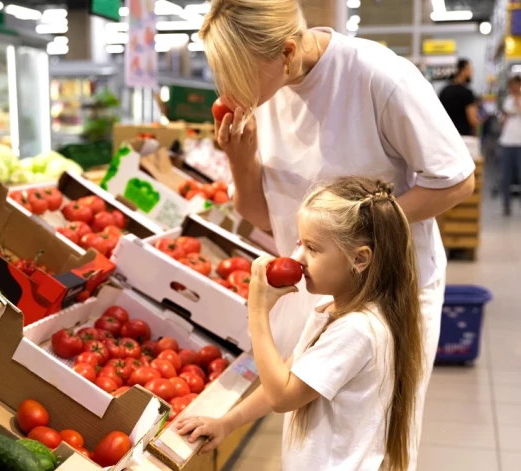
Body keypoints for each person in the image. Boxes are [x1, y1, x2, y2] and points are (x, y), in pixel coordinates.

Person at [197, 1, 475, 469]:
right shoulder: (263, 96)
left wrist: (362, 236)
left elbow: (455, 181)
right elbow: (262, 216)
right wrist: (239, 160)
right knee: (316, 422)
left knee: (379, 432)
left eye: (238, 76)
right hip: (319, 282)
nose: (230, 91)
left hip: (384, 289)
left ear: (286, 52)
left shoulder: (378, 77)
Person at [178, 177, 424, 470]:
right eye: (299, 243)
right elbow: (288, 378)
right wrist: (228, 423)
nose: (297, 258)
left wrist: (258, 312)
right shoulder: (333, 311)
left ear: (359, 259)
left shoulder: (356, 330)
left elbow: (282, 396)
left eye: (313, 248)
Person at [498, 76, 521, 216]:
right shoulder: (507, 100)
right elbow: (503, 119)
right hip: (507, 142)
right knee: (506, 176)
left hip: (520, 144)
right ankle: (506, 204)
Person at [439, 58, 480, 136]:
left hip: (446, 136)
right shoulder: (467, 93)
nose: (471, 72)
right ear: (463, 70)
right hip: (463, 138)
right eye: (470, 69)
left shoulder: (444, 91)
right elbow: (473, 120)